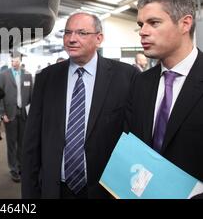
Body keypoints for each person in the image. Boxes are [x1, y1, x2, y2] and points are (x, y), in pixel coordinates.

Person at [22, 12, 137, 199]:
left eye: (82, 33)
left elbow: (132, 137)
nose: (72, 39)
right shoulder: (47, 77)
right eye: (68, 33)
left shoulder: (125, 76)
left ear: (99, 38)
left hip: (104, 189)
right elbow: (32, 142)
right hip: (56, 189)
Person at [126, 0, 203, 186]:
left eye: (154, 22)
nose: (142, 32)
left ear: (185, 24)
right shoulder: (140, 83)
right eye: (141, 24)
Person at [0, 55, 33, 183]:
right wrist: (2, 113)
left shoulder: (28, 75)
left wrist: (32, 114)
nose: (14, 63)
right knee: (11, 143)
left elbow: (31, 96)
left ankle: (20, 166)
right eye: (12, 60)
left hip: (24, 112)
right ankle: (13, 169)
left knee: (22, 142)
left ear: (21, 61)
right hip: (10, 113)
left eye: (17, 60)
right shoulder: (3, 75)